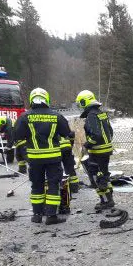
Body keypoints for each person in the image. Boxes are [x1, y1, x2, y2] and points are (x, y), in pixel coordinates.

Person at [13, 88, 72, 225]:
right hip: (53, 158)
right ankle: (51, 216)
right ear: (47, 99)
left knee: (36, 185)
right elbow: (66, 133)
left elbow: (17, 136)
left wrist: (25, 152)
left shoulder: (24, 117)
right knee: (53, 185)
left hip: (34, 159)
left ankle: (37, 215)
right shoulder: (56, 116)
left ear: (31, 99)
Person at [76, 90, 115, 210]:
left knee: (96, 176)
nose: (80, 106)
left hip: (98, 151)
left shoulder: (91, 116)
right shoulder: (101, 113)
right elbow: (110, 132)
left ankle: (106, 201)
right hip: (106, 150)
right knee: (104, 174)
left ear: (84, 102)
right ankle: (109, 199)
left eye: (80, 103)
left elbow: (96, 135)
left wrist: (87, 145)